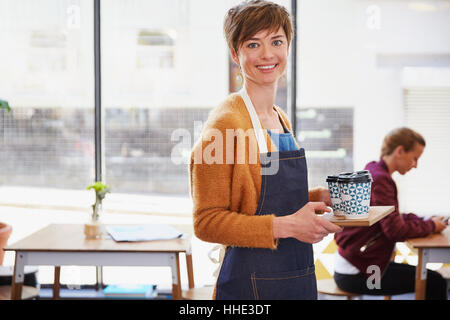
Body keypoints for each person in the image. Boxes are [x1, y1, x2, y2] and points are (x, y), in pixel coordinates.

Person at [189, 0, 342, 300]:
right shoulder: (225, 123)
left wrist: (314, 198)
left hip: (296, 277)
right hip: (250, 286)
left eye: (276, 41)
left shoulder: (279, 117)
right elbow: (206, 221)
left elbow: (260, 197)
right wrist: (287, 226)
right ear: (235, 54)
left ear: (288, 46)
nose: (268, 54)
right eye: (253, 44)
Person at [334, 127, 448, 300]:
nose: (415, 165)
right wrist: (431, 225)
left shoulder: (374, 171)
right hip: (357, 273)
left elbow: (393, 217)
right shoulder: (381, 179)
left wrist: (425, 220)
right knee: (435, 282)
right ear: (400, 151)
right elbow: (395, 230)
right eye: (415, 158)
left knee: (433, 280)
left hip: (356, 265)